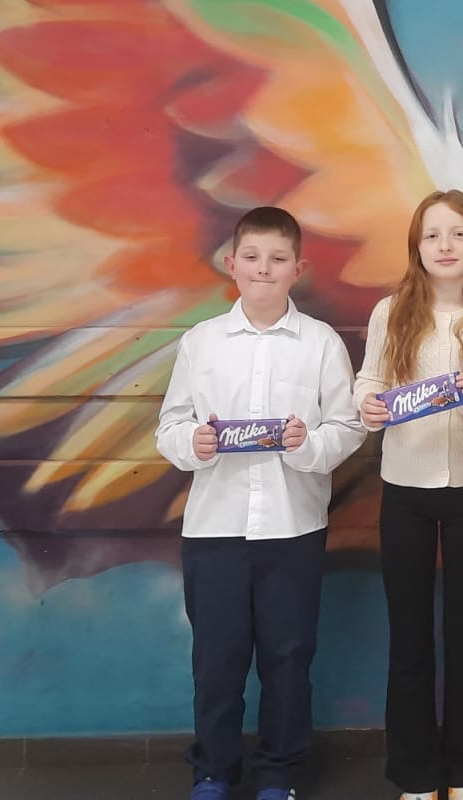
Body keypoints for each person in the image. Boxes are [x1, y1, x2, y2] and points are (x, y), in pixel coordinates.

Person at [156, 205, 366, 800]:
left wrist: (307, 444)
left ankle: (280, 773)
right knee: (216, 661)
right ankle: (213, 771)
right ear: (231, 264)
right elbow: (170, 426)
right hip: (214, 529)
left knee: (288, 657)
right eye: (252, 257)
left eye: (278, 259)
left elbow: (348, 428)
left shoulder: (320, 344)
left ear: (299, 268)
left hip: (292, 527)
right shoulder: (202, 343)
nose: (264, 269)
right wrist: (193, 444)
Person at [355, 191, 463, 800]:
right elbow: (369, 380)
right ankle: (415, 772)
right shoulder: (391, 312)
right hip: (405, 490)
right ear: (416, 247)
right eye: (433, 235)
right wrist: (366, 404)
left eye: (459, 233)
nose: (446, 246)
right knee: (409, 632)